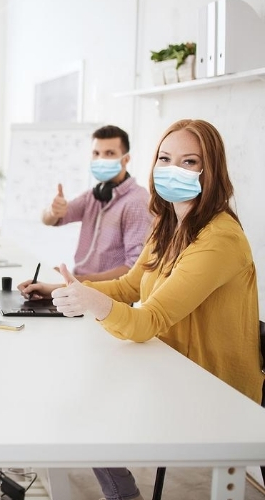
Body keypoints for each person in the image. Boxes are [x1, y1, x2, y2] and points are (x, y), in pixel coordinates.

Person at [20, 119, 264, 500]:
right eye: (164, 159)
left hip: (212, 390)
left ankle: (123, 495)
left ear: (210, 171)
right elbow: (130, 286)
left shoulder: (220, 239)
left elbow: (149, 319)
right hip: (168, 364)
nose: (171, 170)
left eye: (188, 162)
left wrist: (95, 304)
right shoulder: (168, 224)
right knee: (75, 388)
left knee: (85, 404)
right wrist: (61, 289)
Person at [41, 125, 152, 281]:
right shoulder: (93, 196)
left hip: (109, 296)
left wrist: (77, 281)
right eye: (96, 153)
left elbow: (134, 269)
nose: (101, 159)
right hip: (81, 286)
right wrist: (53, 211)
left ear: (126, 159)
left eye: (110, 153)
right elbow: (50, 220)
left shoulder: (136, 202)